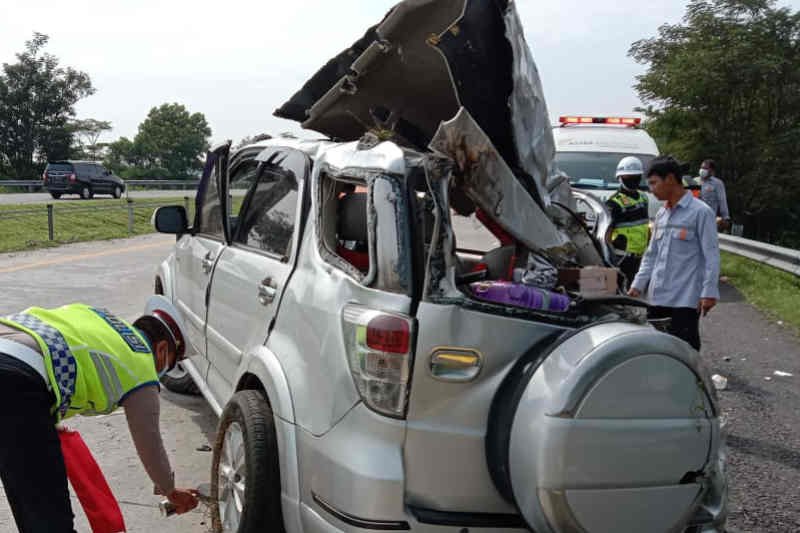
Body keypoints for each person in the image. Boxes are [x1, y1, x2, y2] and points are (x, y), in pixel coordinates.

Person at [0, 296, 199, 533]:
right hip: (15, 378)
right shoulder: (141, 365)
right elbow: (150, 442)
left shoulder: (102, 317)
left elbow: (59, 348)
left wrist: (44, 420)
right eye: (172, 361)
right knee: (48, 518)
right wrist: (170, 490)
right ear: (163, 349)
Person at [628, 156, 720, 351]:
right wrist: (638, 284)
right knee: (656, 348)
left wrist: (709, 292)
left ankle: (692, 381)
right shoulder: (662, 214)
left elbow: (711, 255)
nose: (651, 190)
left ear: (669, 179)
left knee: (684, 349)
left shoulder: (700, 212)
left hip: (684, 299)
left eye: (654, 183)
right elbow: (651, 254)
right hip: (657, 296)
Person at [606, 156, 651, 287]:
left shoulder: (643, 198)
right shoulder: (613, 203)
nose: (633, 180)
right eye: (628, 177)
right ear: (620, 178)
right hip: (622, 257)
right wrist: (609, 258)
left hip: (641, 257)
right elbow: (607, 234)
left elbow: (646, 225)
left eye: (636, 177)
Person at [697, 159, 731, 231]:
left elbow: (722, 201)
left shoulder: (717, 183)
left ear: (712, 171)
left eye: (705, 168)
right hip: (694, 217)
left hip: (708, 219)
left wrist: (725, 218)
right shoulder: (695, 181)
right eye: (701, 168)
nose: (702, 170)